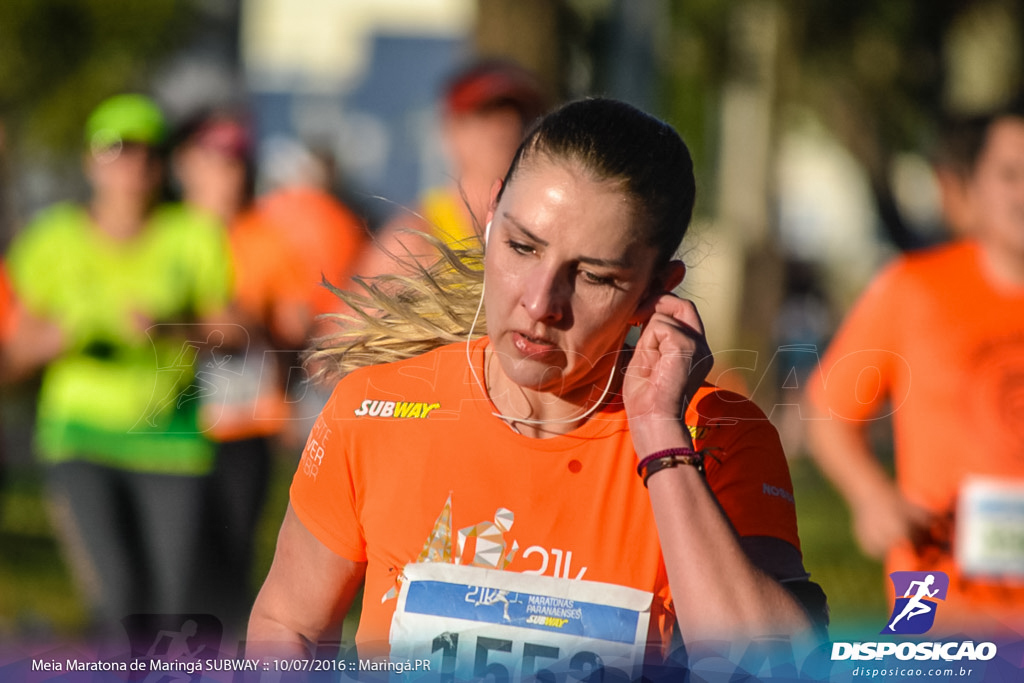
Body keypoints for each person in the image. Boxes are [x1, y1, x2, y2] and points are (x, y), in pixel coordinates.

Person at [248, 98, 827, 674]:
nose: (539, 302)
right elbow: (288, 625)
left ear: (655, 291)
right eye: (522, 246)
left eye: (595, 276)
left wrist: (659, 438)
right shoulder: (376, 410)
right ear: (493, 211)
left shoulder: (714, 433)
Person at [4, 94, 233, 635]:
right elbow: (10, 357)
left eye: (148, 151)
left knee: (171, 609)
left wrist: (169, 330)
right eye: (117, 149)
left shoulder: (192, 235)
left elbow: (232, 333)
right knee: (118, 599)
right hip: (81, 437)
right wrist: (46, 343)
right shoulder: (50, 240)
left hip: (171, 440)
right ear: (90, 160)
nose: (134, 165)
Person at [805, 98, 1024, 635]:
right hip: (930, 598)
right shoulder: (912, 288)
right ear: (970, 187)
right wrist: (872, 498)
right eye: (1011, 174)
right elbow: (825, 412)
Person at [171, 109, 311, 638]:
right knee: (176, 571)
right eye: (215, 157)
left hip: (244, 424)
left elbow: (291, 326)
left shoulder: (266, 238)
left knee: (232, 567)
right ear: (185, 163)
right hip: (167, 424)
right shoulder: (168, 233)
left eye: (237, 159)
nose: (228, 171)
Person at [352, 59, 549, 277]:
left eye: (521, 115)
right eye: (487, 115)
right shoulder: (414, 242)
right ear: (451, 129)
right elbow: (354, 310)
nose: (507, 127)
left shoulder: (544, 235)